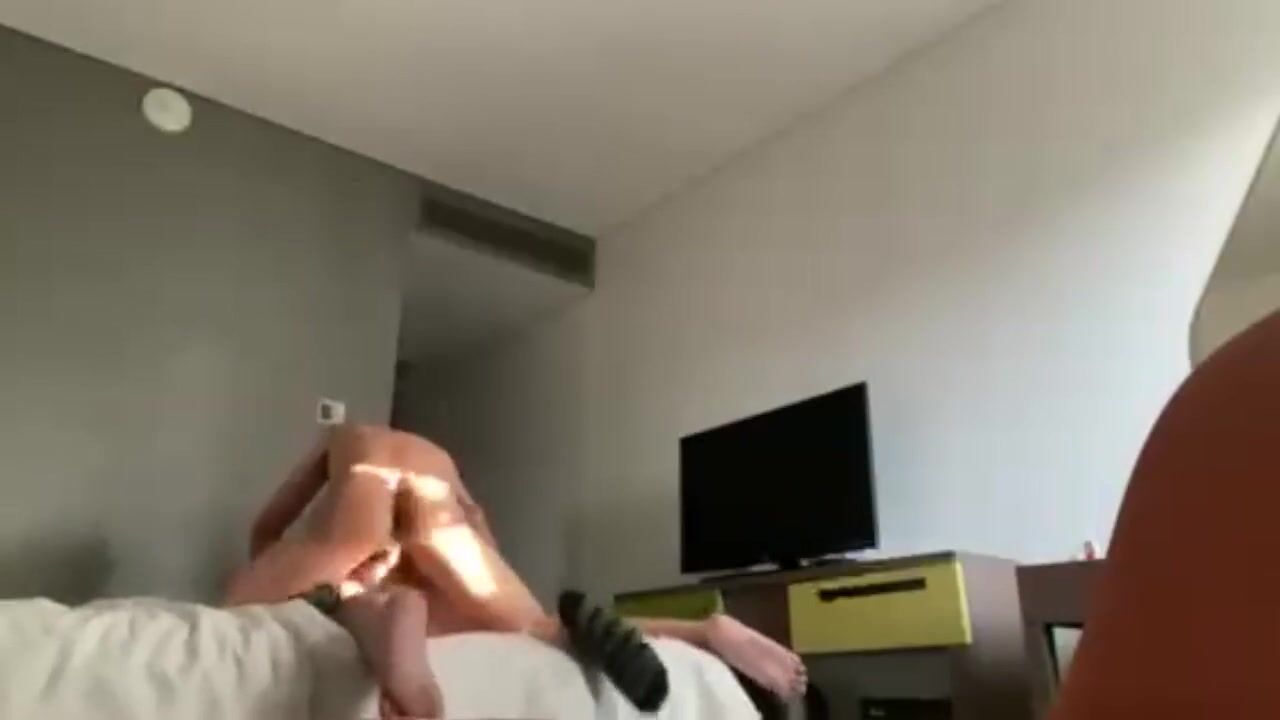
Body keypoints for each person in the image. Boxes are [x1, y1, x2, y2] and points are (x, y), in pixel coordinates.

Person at [225, 425, 807, 716]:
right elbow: (475, 524)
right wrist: (492, 600)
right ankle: (706, 629)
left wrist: (268, 558)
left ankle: (371, 612)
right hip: (440, 507)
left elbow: (268, 522)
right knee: (534, 628)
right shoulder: (435, 459)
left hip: (365, 495)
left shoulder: (344, 438)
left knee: (242, 616)